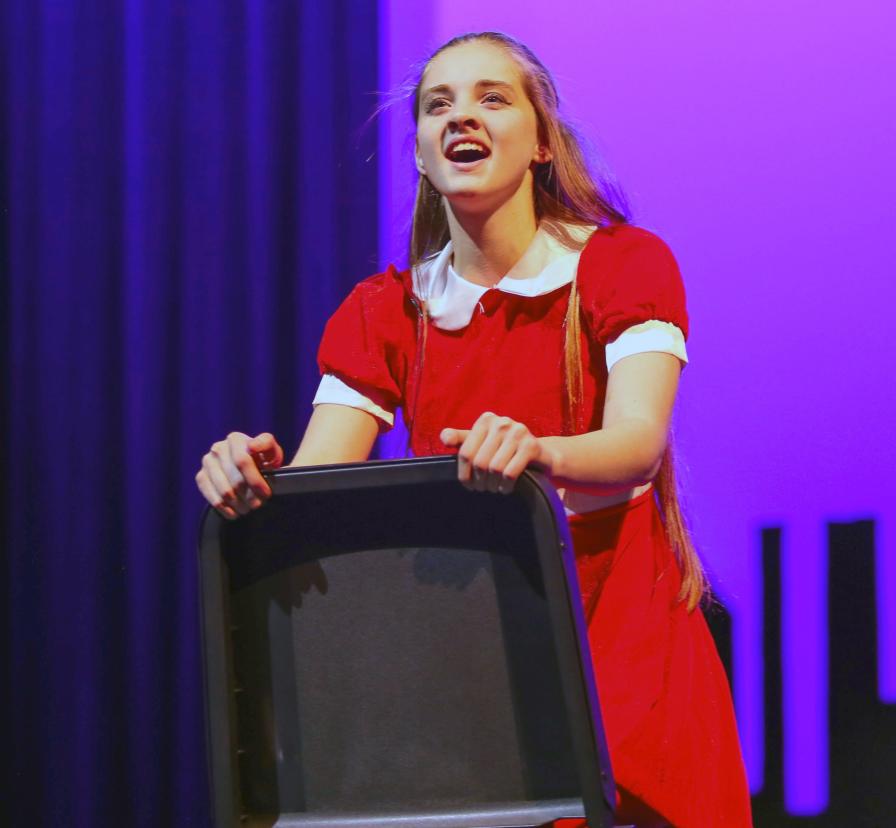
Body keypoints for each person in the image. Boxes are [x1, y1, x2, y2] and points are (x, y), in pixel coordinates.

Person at [194, 31, 751, 827]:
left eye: (494, 98)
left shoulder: (621, 266)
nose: (464, 117)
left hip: (630, 647)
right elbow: (315, 491)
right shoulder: (384, 312)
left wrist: (536, 453)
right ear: (420, 153)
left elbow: (637, 445)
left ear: (541, 143)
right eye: (439, 104)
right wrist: (252, 480)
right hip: (479, 656)